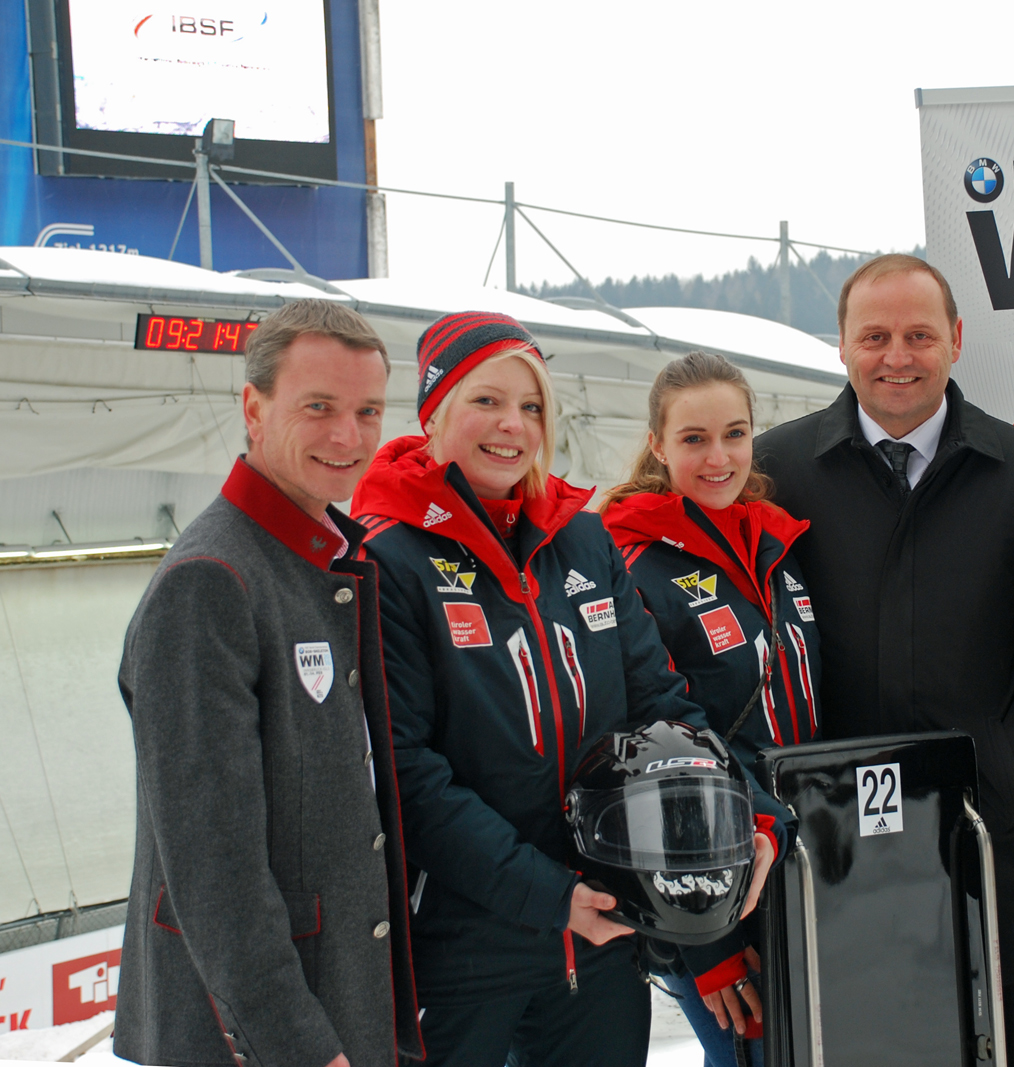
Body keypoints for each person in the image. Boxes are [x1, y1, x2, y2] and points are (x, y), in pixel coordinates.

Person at [349, 312, 775, 1067]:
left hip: (606, 934)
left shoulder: (580, 538)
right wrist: (551, 897)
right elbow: (407, 772)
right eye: (487, 400)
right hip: (464, 950)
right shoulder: (390, 556)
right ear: (435, 409)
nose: (512, 425)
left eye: (533, 406)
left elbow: (662, 707)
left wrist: (753, 817)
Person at [752, 253, 1014, 1067]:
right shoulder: (775, 471)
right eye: (876, 335)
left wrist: (1004, 776)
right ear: (841, 346)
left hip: (984, 844)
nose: (897, 355)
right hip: (824, 854)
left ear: (957, 340)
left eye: (919, 334)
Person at [115, 300, 422, 1067]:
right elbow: (215, 867)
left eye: (366, 411)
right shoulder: (211, 580)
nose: (347, 436)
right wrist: (295, 1045)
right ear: (253, 408)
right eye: (317, 407)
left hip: (334, 1005)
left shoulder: (319, 560)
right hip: (262, 1037)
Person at [602, 351, 816, 1067]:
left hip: (793, 870)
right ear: (658, 444)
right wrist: (708, 942)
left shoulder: (776, 547)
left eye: (734, 433)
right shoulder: (633, 566)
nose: (718, 456)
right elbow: (649, 766)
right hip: (714, 893)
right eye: (694, 439)